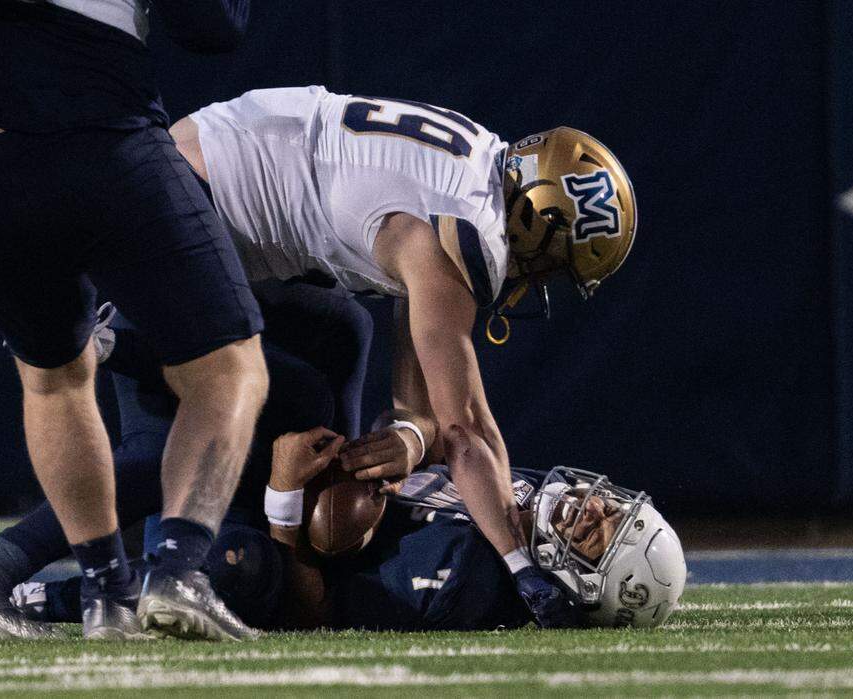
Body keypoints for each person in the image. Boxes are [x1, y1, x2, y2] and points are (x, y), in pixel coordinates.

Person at [0, 0, 267, 640]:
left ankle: (108, 596)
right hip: (91, 103)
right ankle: (177, 571)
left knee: (53, 377)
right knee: (228, 368)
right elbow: (210, 27)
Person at [166, 86, 639, 606]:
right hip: (205, 193)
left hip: (226, 159)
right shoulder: (467, 231)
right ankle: (132, 578)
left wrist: (410, 436)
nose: (541, 279)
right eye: (553, 261)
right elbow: (467, 430)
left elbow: (426, 403)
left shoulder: (477, 163)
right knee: (178, 415)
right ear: (535, 218)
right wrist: (520, 564)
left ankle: (243, 547)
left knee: (342, 336)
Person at [0, 279, 373, 638]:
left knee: (243, 571)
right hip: (178, 312)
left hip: (244, 445)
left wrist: (294, 502)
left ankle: (44, 594)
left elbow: (328, 464)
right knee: (173, 450)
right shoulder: (356, 200)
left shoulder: (344, 318)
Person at [12, 427, 686, 633]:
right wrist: (411, 438)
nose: (591, 508)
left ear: (586, 586)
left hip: (277, 548)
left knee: (238, 568)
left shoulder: (467, 583)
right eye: (611, 506)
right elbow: (447, 434)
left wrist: (282, 496)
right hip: (309, 470)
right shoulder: (524, 492)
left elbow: (312, 609)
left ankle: (68, 594)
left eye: (601, 534)